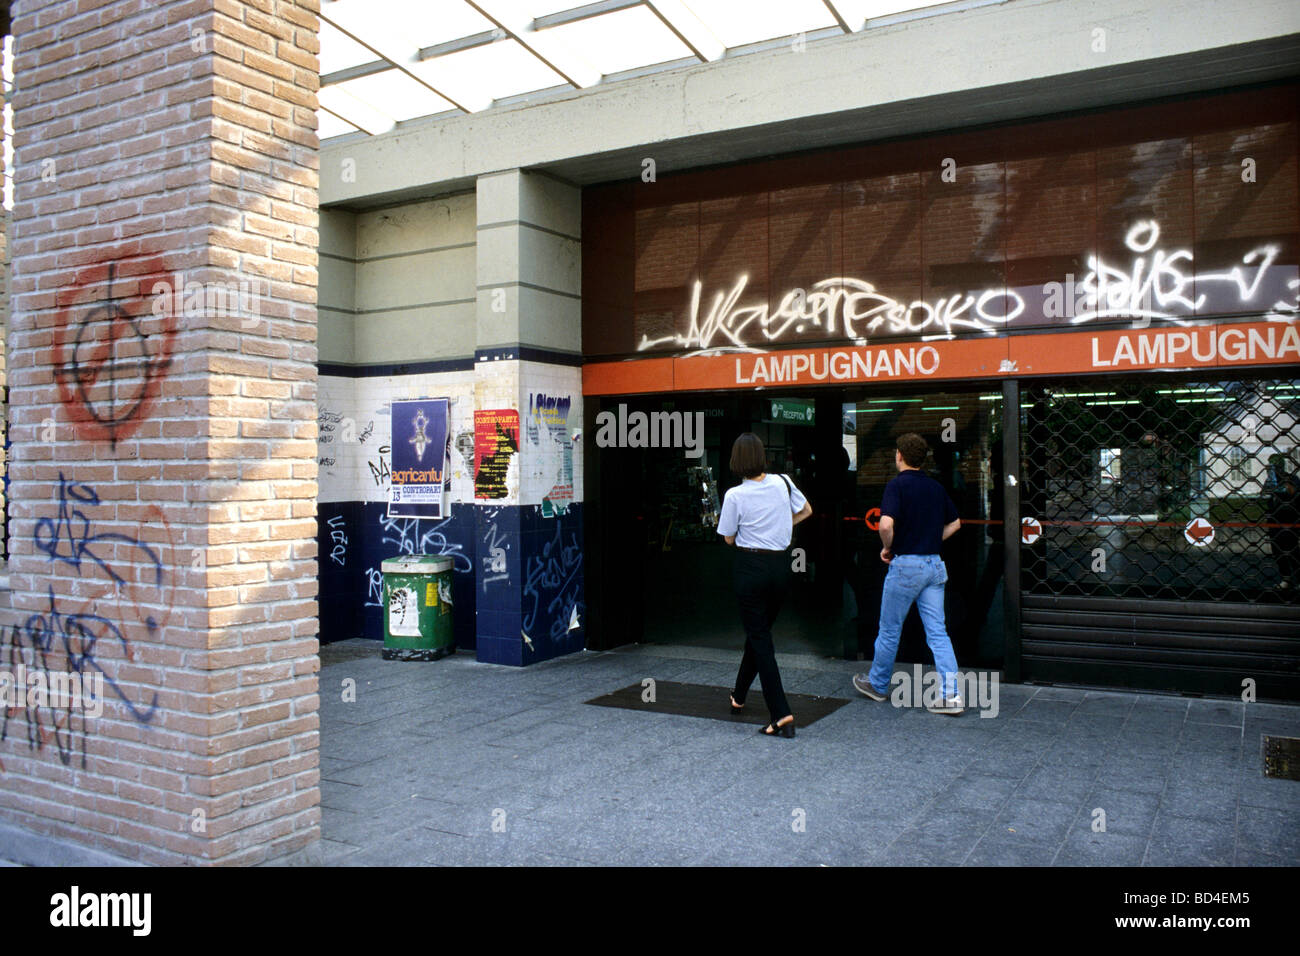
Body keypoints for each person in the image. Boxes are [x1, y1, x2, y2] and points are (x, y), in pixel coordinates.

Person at [853, 433, 964, 714]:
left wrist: (888, 547)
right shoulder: (935, 487)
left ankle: (877, 685)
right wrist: (930, 540)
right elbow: (956, 524)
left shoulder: (896, 486)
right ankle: (950, 696)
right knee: (938, 632)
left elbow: (885, 525)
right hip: (934, 566)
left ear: (900, 455)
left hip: (906, 566)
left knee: (890, 630)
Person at [717, 432, 813, 738]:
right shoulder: (783, 481)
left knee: (761, 640)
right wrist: (783, 525)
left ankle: (781, 713)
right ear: (762, 457)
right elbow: (807, 510)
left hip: (750, 567)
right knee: (758, 635)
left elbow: (728, 538)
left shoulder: (734, 495)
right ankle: (739, 696)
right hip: (780, 567)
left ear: (736, 461)